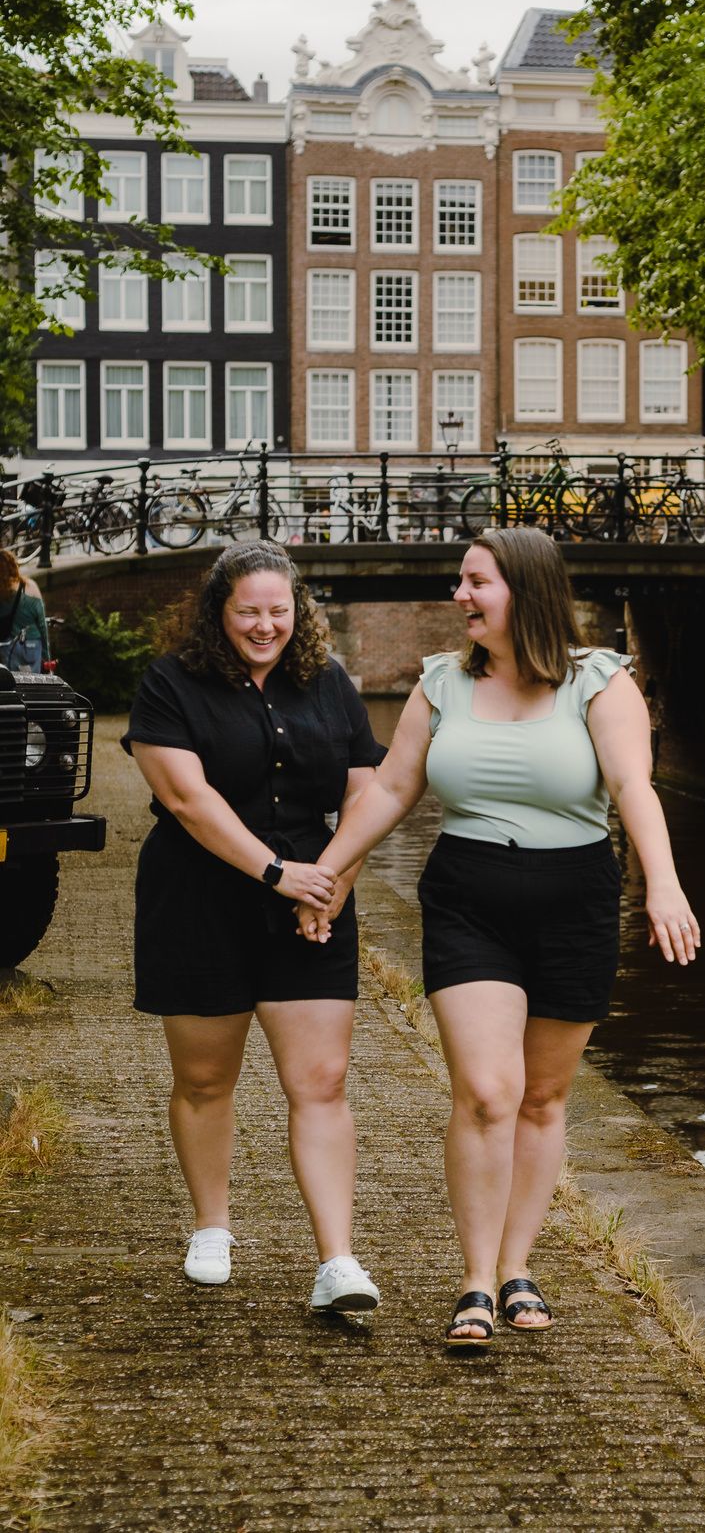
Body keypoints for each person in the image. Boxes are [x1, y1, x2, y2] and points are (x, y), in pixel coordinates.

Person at [306, 526, 700, 1349]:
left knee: (545, 1097)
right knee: (488, 1090)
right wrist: (330, 872)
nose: (460, 596)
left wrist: (662, 883)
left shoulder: (600, 683)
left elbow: (633, 786)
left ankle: (520, 1266)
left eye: (475, 582)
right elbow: (390, 788)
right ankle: (476, 1281)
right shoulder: (442, 683)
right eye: (460, 581)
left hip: (577, 901)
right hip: (469, 898)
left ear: (524, 589)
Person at [122, 541, 388, 1310]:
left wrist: (330, 884)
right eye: (248, 612)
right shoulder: (171, 682)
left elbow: (365, 793)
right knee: (205, 1078)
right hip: (199, 899)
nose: (265, 625)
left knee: (322, 1081)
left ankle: (337, 1261)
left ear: (298, 610)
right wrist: (279, 874)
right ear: (219, 612)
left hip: (313, 900)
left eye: (279, 610)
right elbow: (186, 801)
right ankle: (212, 1225)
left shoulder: (329, 682)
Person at [0, 549, 49, 673]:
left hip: (12, 645)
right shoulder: (30, 586)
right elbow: (42, 625)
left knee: (16, 685)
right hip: (34, 645)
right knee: (34, 684)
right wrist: (46, 655)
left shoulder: (2, 592)